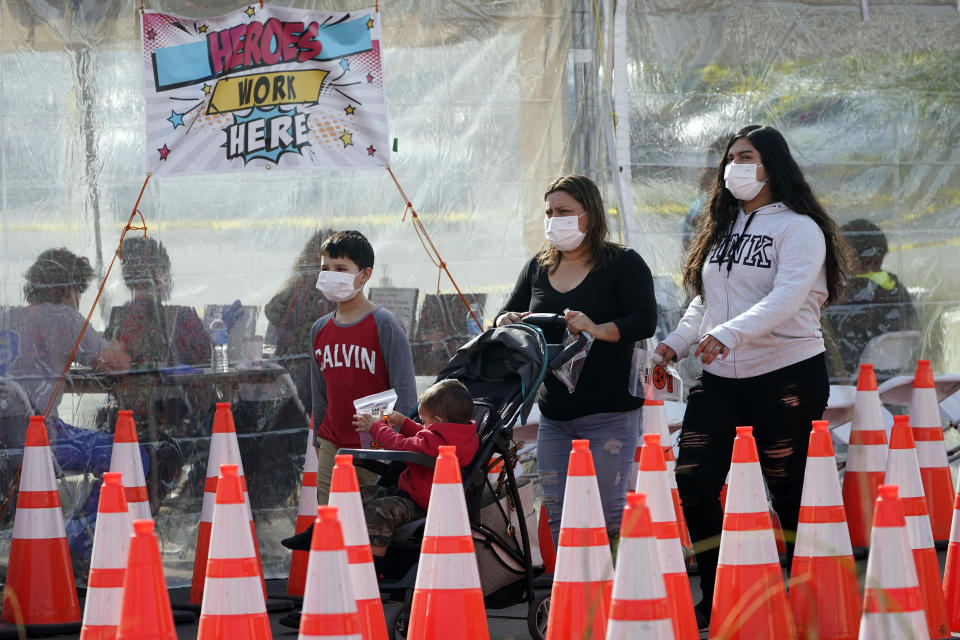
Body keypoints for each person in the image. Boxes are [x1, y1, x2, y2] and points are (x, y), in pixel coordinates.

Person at [654, 125, 849, 627]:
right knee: (693, 481)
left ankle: (805, 597)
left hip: (785, 377)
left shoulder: (799, 228)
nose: (734, 166)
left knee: (788, 489)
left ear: (772, 165)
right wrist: (674, 345)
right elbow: (706, 301)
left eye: (746, 156)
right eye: (730, 157)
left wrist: (731, 334)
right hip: (720, 381)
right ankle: (720, 595)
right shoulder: (721, 229)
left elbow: (785, 298)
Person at [495, 174, 658, 548]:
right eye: (549, 212)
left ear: (590, 214)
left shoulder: (623, 262)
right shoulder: (539, 265)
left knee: (608, 516)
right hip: (554, 416)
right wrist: (505, 321)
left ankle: (618, 602)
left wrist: (598, 328)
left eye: (564, 211)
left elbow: (645, 319)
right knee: (558, 515)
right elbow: (506, 313)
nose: (554, 219)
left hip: (611, 414)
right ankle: (573, 600)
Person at [0, 248, 131, 555]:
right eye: (79, 292)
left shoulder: (6, 316)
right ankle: (75, 546)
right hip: (43, 440)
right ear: (71, 290)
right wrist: (120, 343)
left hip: (8, 437)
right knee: (131, 454)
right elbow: (116, 363)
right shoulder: (65, 319)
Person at [283, 378, 478, 554]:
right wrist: (403, 422)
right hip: (410, 495)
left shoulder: (438, 443)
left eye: (425, 422)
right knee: (355, 495)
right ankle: (316, 533)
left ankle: (375, 566)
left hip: (422, 503)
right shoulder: (459, 438)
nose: (423, 426)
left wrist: (376, 427)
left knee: (379, 511)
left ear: (439, 421)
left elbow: (402, 445)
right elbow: (425, 439)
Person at [307, 230, 417, 506]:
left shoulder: (385, 324)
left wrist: (396, 445)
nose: (331, 275)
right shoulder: (319, 329)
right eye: (325, 268)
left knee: (366, 526)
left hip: (375, 446)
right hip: (332, 444)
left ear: (365, 275)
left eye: (340, 268)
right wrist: (319, 439)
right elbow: (320, 392)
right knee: (329, 523)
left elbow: (404, 390)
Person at [822, 218, 918, 380]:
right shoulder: (894, 286)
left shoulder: (845, 294)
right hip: (892, 382)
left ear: (849, 257)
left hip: (848, 385)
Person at [265, 229, 336, 412]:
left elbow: (272, 309)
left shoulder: (300, 290)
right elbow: (272, 310)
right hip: (302, 377)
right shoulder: (314, 293)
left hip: (289, 374)